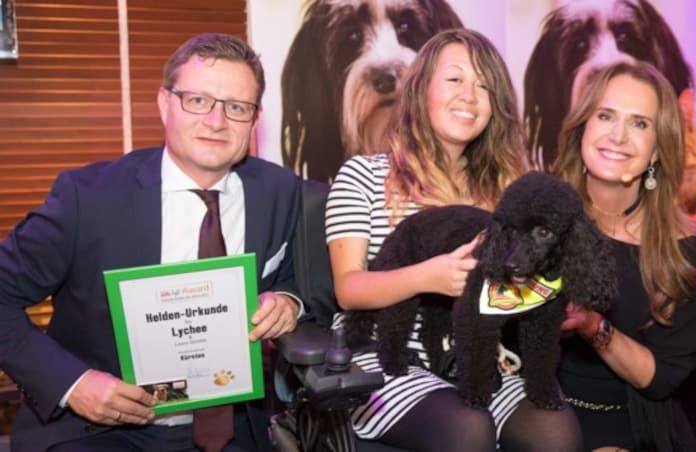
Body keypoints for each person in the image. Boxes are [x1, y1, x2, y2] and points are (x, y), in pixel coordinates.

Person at [0, 33, 305, 451]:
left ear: (254, 119)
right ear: (165, 104)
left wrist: (288, 300)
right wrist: (75, 385)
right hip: (100, 430)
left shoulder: (281, 191)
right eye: (198, 100)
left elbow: (297, 274)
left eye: (237, 107)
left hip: (233, 430)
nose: (217, 121)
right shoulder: (87, 198)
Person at [325, 28, 581, 452]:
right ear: (420, 87)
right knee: (468, 427)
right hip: (383, 354)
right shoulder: (364, 176)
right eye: (455, 79)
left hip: (478, 352)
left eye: (484, 85)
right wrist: (430, 277)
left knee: (556, 430)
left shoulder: (509, 193)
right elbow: (348, 289)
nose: (470, 95)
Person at [554, 61, 696, 451]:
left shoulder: (683, 245)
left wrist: (595, 327)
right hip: (533, 415)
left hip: (630, 420)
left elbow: (662, 378)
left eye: (640, 123)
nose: (618, 136)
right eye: (606, 115)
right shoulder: (543, 216)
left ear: (659, 148)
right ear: (583, 128)